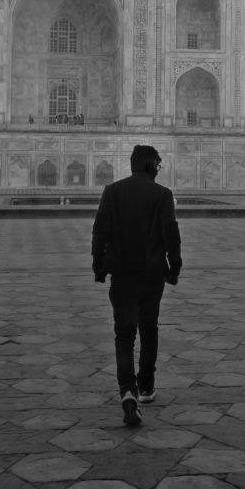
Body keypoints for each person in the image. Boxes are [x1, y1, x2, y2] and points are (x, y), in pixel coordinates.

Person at [92, 144, 182, 426]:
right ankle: (145, 387)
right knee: (149, 327)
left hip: (122, 274)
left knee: (124, 333)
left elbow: (100, 230)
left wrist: (99, 266)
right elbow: (170, 232)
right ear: (149, 166)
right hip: (152, 274)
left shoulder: (113, 192)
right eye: (157, 164)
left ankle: (126, 390)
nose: (158, 169)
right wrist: (174, 266)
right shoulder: (162, 194)